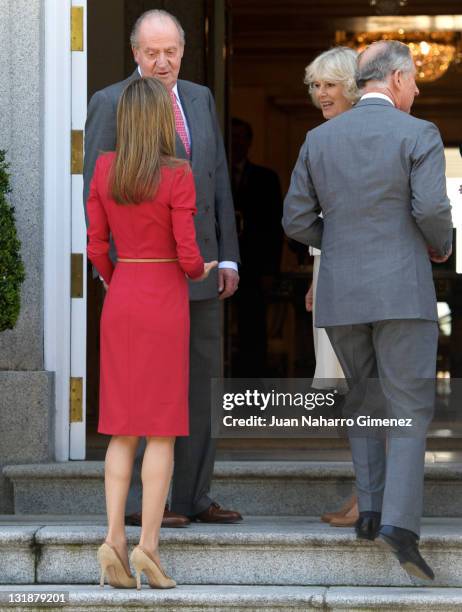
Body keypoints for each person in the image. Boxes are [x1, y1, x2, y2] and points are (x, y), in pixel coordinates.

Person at [283, 40, 452, 580]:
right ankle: (399, 527)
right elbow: (430, 209)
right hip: (402, 289)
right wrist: (440, 245)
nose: (419, 90)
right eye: (416, 80)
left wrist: (339, 247)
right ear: (397, 80)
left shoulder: (318, 137)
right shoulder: (419, 133)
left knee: (365, 399)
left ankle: (370, 510)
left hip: (342, 293)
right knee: (406, 405)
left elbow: (295, 219)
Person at [83, 9, 242, 528]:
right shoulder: (111, 103)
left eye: (171, 51)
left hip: (199, 271)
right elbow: (98, 192)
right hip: (147, 278)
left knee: (200, 384)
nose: (162, 61)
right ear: (135, 54)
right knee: (140, 390)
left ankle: (192, 496)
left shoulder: (200, 97)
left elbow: (215, 182)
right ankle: (137, 507)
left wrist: (229, 256)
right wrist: (115, 271)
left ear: (182, 51)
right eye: (151, 52)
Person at [87, 77, 217, 588]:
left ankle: (113, 540)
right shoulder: (177, 174)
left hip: (122, 297)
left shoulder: (103, 169)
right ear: (164, 121)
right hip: (164, 297)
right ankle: (149, 548)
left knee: (122, 429)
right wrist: (201, 269)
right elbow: (188, 255)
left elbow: (97, 248)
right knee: (161, 430)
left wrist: (121, 282)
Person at [302, 47, 360, 528]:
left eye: (330, 84)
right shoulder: (319, 137)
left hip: (357, 274)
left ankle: (370, 496)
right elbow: (316, 215)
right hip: (331, 270)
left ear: (353, 86)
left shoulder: (360, 136)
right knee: (349, 390)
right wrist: (317, 275)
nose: (321, 93)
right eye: (316, 85)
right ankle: (365, 490)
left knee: (366, 389)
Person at [231, 118, 283, 376]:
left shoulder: (266, 178)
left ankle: (251, 391)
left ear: (250, 141)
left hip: (254, 266)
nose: (237, 142)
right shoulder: (212, 176)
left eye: (242, 136)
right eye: (233, 136)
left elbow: (274, 227)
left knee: (253, 328)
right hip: (218, 264)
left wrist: (270, 270)